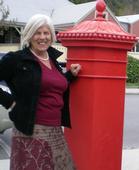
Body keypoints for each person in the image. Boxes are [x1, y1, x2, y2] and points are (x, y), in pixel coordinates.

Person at [0, 14, 81, 169]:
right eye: (37, 33)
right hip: (30, 130)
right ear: (30, 35)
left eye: (46, 33)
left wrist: (69, 76)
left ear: (51, 35)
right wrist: (10, 103)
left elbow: (47, 85)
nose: (42, 37)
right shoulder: (17, 59)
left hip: (55, 130)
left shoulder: (52, 60)